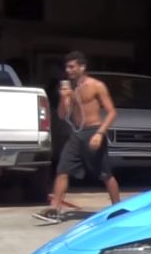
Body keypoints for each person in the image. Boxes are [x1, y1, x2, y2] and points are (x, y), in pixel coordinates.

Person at [32, 51, 120, 223]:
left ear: (82, 67)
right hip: (77, 134)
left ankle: (117, 208)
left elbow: (112, 112)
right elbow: (62, 115)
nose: (68, 70)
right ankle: (54, 210)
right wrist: (64, 98)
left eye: (72, 67)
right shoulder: (70, 88)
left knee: (105, 173)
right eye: (67, 67)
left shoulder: (96, 85)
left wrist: (100, 133)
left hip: (94, 131)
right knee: (63, 169)